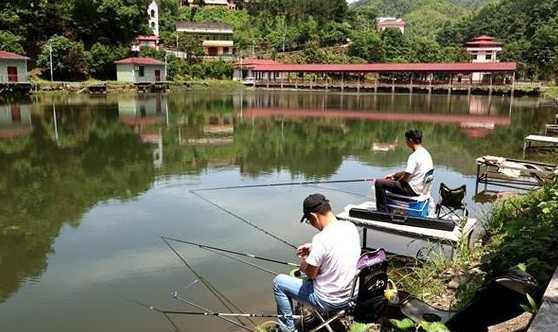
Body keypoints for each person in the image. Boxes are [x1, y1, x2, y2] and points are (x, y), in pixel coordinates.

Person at [273, 193, 361, 332]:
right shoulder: (350, 227)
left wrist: (304, 263)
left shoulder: (321, 238)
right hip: (351, 296)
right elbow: (337, 247)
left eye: (309, 221)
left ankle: (288, 330)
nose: (312, 225)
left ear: (314, 216)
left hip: (329, 300)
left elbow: (311, 274)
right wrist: (314, 249)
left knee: (279, 282)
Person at [374, 129, 433, 212]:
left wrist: (396, 182)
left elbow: (405, 178)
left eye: (406, 140)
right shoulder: (426, 153)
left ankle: (382, 211)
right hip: (421, 188)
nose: (406, 142)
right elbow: (409, 172)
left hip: (412, 189)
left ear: (411, 140)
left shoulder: (414, 156)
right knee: (390, 181)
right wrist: (393, 176)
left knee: (379, 183)